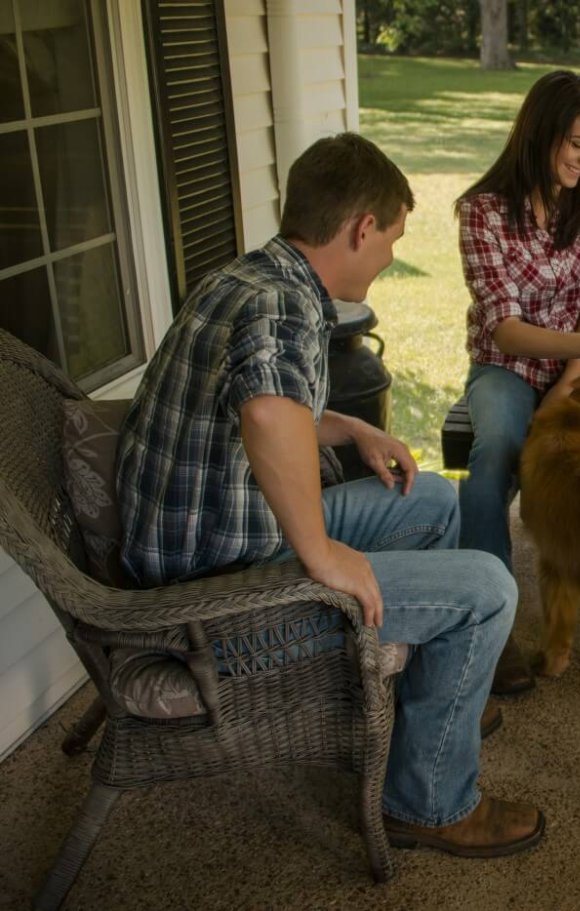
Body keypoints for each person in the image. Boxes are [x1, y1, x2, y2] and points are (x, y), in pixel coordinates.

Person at [115, 133, 544, 858]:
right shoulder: (285, 305)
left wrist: (347, 429)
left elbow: (260, 397)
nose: (389, 257)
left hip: (223, 534)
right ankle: (429, 801)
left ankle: (422, 717)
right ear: (360, 228)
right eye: (393, 239)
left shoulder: (253, 278)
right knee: (489, 587)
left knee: (432, 499)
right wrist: (320, 554)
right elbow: (263, 414)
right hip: (212, 600)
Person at [456, 70, 580, 691]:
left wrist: (573, 379)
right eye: (576, 143)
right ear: (540, 132)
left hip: (575, 367)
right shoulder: (481, 212)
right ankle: (493, 627)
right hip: (505, 366)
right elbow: (508, 331)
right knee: (494, 457)